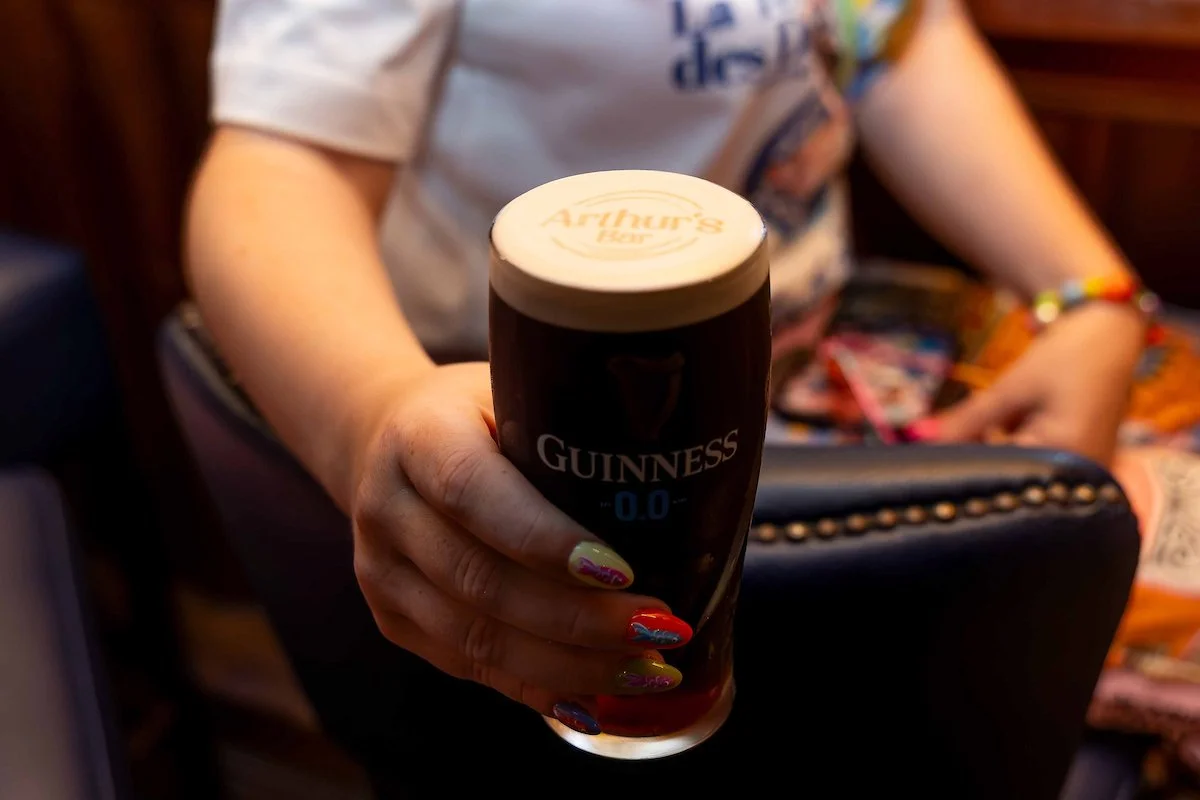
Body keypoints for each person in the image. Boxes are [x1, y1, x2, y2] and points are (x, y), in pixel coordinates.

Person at [187, 0, 1150, 747]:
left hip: (807, 372)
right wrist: (370, 416)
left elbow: (890, 38)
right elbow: (278, 167)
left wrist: (1092, 293)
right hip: (519, 457)